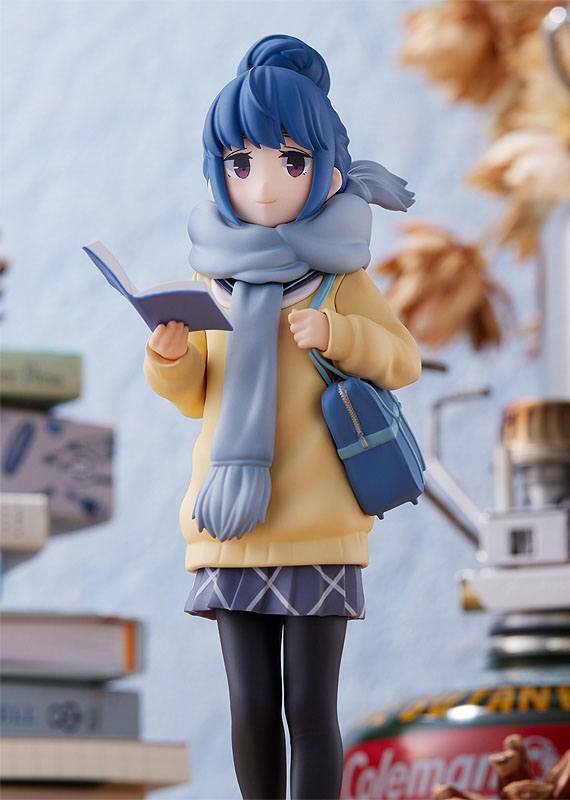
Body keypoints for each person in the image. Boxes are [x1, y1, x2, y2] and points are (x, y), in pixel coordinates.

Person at [143, 34, 422, 800]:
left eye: (290, 161)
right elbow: (197, 396)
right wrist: (171, 357)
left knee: (309, 705)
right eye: (242, 163)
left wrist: (340, 334)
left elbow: (402, 361)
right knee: (251, 705)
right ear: (218, 170)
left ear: (326, 169)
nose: (264, 186)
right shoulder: (215, 281)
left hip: (317, 524)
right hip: (230, 524)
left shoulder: (339, 280)